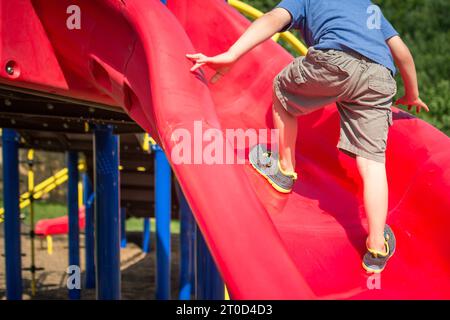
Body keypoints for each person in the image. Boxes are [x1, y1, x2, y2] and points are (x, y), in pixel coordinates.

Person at [186, 0, 429, 273]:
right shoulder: (367, 7)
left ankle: (284, 171)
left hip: (334, 61)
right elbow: (401, 51)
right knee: (372, 161)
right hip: (380, 77)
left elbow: (271, 20)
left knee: (282, 90)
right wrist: (413, 93)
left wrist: (232, 53)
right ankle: (375, 247)